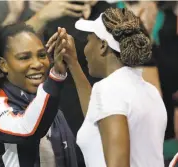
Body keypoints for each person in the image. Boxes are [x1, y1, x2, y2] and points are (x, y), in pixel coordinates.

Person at [47, 8, 167, 167]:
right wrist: (73, 64)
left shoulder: (109, 90)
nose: (86, 49)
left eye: (89, 41)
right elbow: (95, 114)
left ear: (103, 45)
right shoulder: (150, 91)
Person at [0, 20, 73, 167]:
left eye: (42, 55)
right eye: (24, 57)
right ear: (3, 65)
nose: (37, 64)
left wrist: (71, 62)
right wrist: (56, 76)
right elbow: (29, 129)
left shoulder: (47, 103)